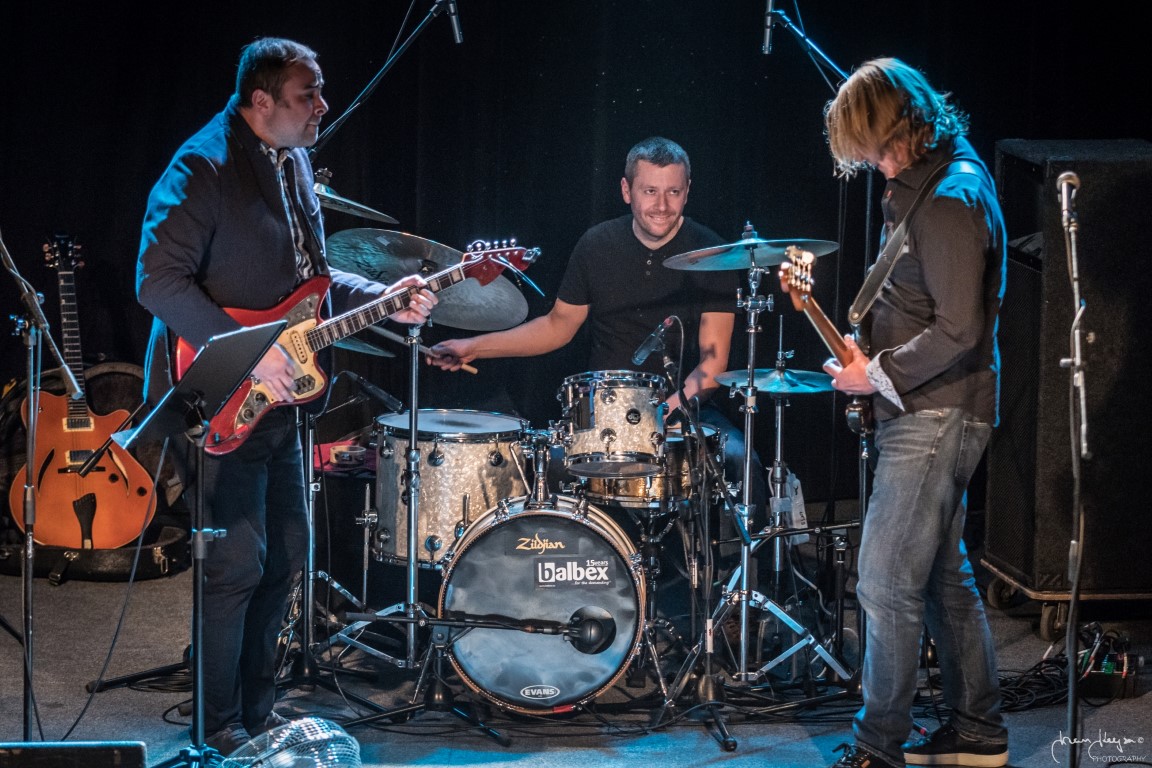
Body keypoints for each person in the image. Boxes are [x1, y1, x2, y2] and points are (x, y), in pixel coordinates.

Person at [136, 37, 437, 757]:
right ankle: (217, 728)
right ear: (261, 100)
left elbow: (313, 280)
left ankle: (257, 715)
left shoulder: (292, 160)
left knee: (284, 561)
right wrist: (249, 352)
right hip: (220, 394)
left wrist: (385, 297)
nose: (323, 106)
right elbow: (156, 280)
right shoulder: (202, 165)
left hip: (283, 401)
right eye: (309, 94)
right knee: (234, 565)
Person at [783, 58, 1008, 768]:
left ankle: (878, 746)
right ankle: (978, 730)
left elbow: (960, 328)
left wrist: (876, 373)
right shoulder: (928, 186)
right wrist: (867, 355)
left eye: (873, 149)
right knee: (944, 578)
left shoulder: (949, 198)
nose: (873, 165)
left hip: (936, 414)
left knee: (882, 583)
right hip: (930, 408)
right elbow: (924, 308)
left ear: (897, 129)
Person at [427, 135, 768, 604]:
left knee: (742, 462)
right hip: (598, 417)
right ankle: (547, 601)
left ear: (688, 191)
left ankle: (736, 604)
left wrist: (665, 412)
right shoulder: (597, 244)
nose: (662, 205)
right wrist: (473, 348)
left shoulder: (712, 253)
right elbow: (557, 327)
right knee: (537, 470)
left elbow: (713, 364)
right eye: (650, 191)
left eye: (673, 192)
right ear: (626, 190)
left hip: (680, 410)